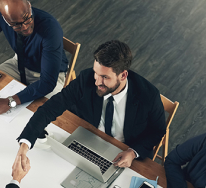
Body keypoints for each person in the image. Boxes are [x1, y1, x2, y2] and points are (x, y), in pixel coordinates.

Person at [15, 40, 166, 169]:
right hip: (86, 139)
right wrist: (25, 144)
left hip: (124, 152)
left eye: (105, 77)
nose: (97, 82)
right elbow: (51, 107)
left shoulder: (149, 96)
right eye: (96, 73)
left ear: (123, 75)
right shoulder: (87, 79)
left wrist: (133, 152)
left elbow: (157, 131)